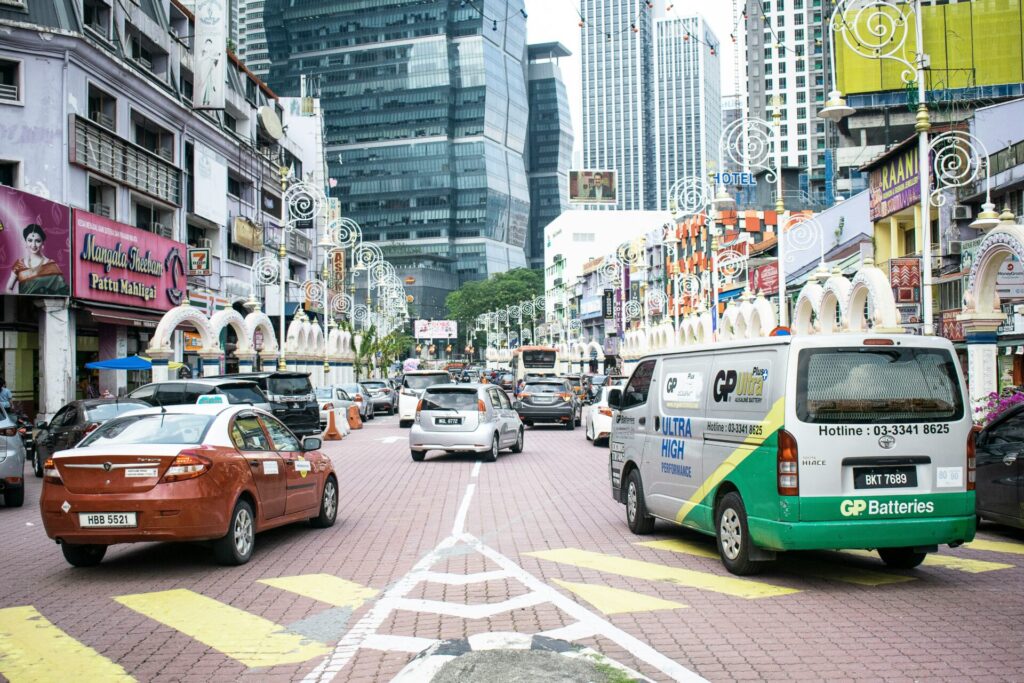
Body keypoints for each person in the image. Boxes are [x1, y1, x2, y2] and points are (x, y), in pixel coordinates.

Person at [7, 224, 69, 295]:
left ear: (43, 243)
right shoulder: (19, 264)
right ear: (25, 242)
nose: (33, 245)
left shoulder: (51, 265)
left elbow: (63, 291)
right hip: (23, 305)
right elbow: (8, 288)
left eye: (37, 241)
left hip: (45, 305)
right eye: (30, 240)